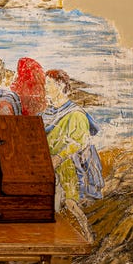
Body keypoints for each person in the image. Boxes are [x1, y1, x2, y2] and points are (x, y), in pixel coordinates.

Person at [42, 68, 103, 237]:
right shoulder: (47, 113)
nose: (45, 87)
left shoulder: (75, 114)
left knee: (70, 204)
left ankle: (86, 235)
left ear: (61, 85)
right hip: (48, 165)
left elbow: (80, 141)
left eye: (49, 83)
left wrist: (59, 157)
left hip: (69, 166)